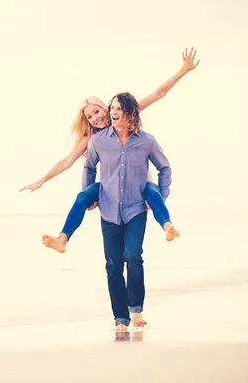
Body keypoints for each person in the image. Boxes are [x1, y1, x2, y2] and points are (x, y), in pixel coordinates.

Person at [20, 48, 198, 253]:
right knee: (82, 197)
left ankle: (168, 227)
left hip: (138, 182)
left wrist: (182, 70)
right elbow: (67, 161)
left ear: (106, 107)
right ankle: (62, 239)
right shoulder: (92, 139)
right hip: (110, 188)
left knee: (152, 193)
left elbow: (158, 93)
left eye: (96, 111)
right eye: (89, 117)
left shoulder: (125, 112)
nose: (95, 118)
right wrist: (42, 180)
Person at [83, 92, 172, 331]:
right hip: (109, 209)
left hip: (135, 209)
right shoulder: (98, 141)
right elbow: (88, 167)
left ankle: (136, 311)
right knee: (113, 265)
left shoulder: (147, 141)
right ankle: (120, 319)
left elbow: (164, 168)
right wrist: (89, 195)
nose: (114, 112)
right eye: (112, 107)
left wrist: (160, 199)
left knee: (133, 256)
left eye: (119, 108)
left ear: (131, 112)